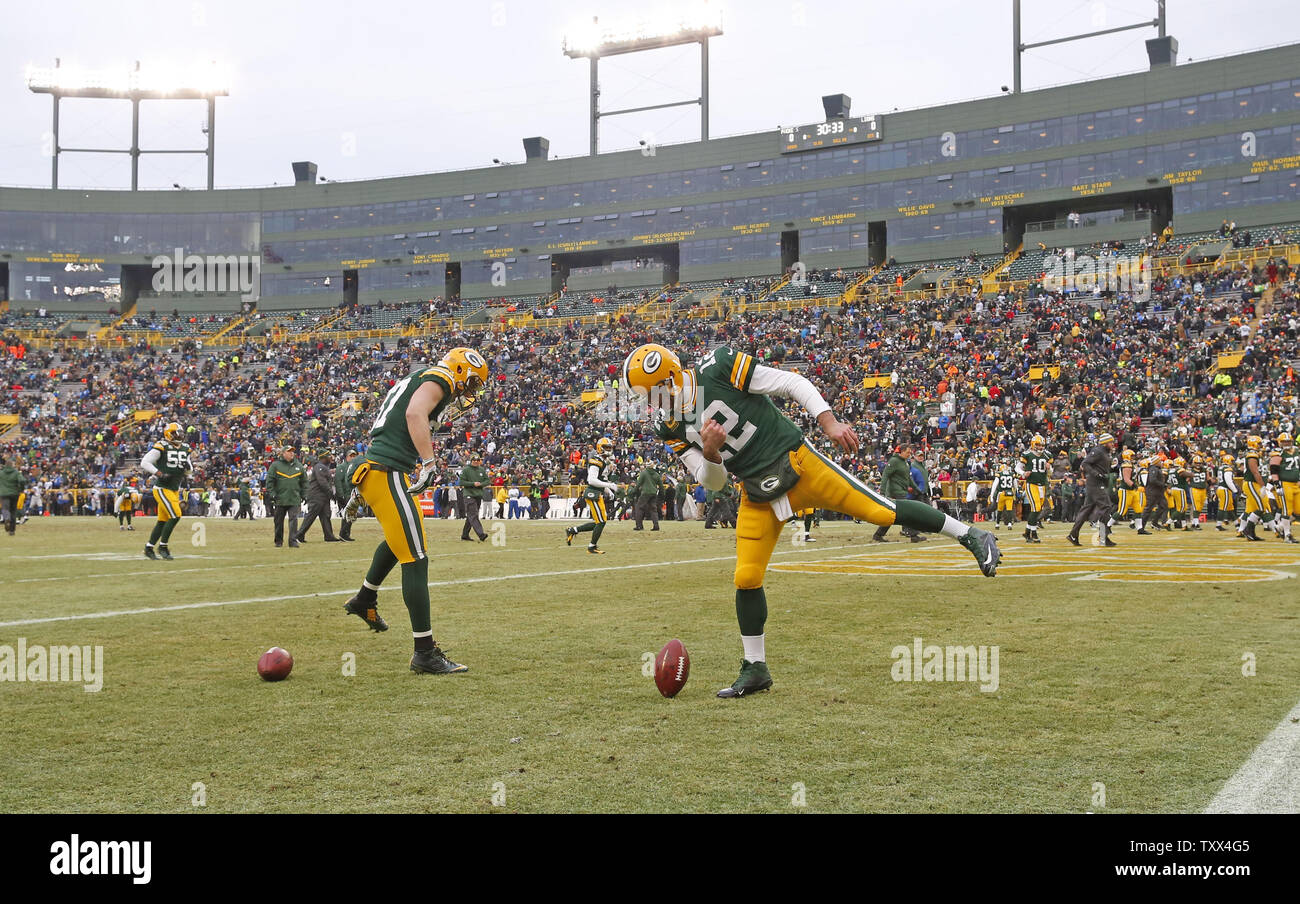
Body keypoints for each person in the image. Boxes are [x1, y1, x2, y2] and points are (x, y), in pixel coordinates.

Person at [623, 342, 1000, 699]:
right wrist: (710, 452)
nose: (650, 404)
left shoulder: (717, 366)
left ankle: (971, 534)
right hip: (757, 491)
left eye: (650, 394)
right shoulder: (667, 425)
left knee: (881, 511)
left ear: (668, 379)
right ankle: (755, 667)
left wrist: (829, 423)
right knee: (746, 577)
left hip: (799, 464)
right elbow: (713, 482)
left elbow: (790, 382)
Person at [340, 347, 488, 675]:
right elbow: (412, 415)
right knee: (416, 558)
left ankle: (365, 598)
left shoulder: (418, 377)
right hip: (387, 470)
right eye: (473, 382)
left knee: (401, 541)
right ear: (461, 370)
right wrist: (429, 460)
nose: (471, 391)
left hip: (381, 468)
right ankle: (425, 652)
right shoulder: (441, 378)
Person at [141, 421, 193, 560]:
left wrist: (188, 468)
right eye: (177, 433)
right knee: (176, 515)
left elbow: (189, 471)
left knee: (163, 521)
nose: (180, 436)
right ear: (169, 434)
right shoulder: (162, 446)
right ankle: (163, 546)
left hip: (174, 489)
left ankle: (149, 548)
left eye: (181, 433)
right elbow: (145, 462)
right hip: (162, 488)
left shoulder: (185, 448)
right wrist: (159, 474)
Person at [564, 437, 618, 554]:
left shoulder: (604, 461)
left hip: (597, 493)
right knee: (601, 522)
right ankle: (592, 546)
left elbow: (601, 478)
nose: (608, 450)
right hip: (593, 493)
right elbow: (592, 480)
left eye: (610, 447)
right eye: (606, 447)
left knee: (600, 521)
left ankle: (573, 530)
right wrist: (609, 485)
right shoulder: (596, 460)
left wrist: (608, 490)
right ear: (600, 448)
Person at [1067, 433, 1117, 547]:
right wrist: (1096, 474)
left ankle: (1073, 535)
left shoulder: (1104, 452)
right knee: (1106, 506)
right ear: (1105, 443)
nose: (1112, 444)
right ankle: (1103, 536)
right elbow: (1084, 464)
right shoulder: (1098, 451)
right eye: (1110, 442)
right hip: (1095, 483)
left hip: (1096, 483)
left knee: (1086, 510)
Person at [266, 445, 307, 548]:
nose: (292, 453)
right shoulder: (275, 466)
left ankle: (293, 541)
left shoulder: (299, 466)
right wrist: (273, 494)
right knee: (278, 521)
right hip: (280, 498)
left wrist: (304, 495)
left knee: (294, 520)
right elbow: (270, 482)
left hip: (294, 498)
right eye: (289, 451)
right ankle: (278, 541)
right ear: (283, 453)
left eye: (293, 451)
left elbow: (304, 482)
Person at [297, 452, 339, 542]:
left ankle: (329, 536)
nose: (330, 458)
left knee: (326, 516)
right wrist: (331, 494)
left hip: (323, 496)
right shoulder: (320, 467)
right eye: (328, 456)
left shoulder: (321, 467)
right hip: (317, 495)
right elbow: (322, 483)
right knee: (311, 516)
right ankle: (299, 535)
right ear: (323, 457)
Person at [458, 453, 489, 541]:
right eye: (474, 460)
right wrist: (473, 484)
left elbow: (487, 481)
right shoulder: (466, 470)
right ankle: (481, 534)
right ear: (471, 461)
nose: (476, 462)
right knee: (473, 515)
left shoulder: (481, 470)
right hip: (469, 495)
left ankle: (465, 535)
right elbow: (461, 482)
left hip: (478, 495)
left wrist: (481, 484)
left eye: (477, 460)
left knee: (471, 516)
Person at [336, 450, 359, 541]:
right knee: (347, 515)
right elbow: (338, 482)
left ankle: (346, 534)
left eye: (354, 456)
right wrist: (341, 495)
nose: (353, 458)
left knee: (351, 515)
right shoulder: (342, 467)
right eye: (351, 456)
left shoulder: (355, 467)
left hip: (353, 494)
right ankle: (343, 534)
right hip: (345, 495)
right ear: (347, 457)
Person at [632, 460, 662, 531]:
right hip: (654, 493)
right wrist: (662, 496)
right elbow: (661, 486)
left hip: (645, 493)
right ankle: (656, 525)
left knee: (639, 508)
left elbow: (638, 484)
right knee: (653, 510)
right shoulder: (656, 474)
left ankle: (639, 526)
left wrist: (634, 492)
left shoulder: (643, 473)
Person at [0, 456, 25, 536]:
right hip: (14, 493)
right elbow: (22, 480)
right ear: (12, 465)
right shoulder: (16, 472)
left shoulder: (1, 473)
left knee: (5, 509)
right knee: (13, 511)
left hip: (4, 493)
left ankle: (6, 518)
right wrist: (21, 489)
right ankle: (12, 531)